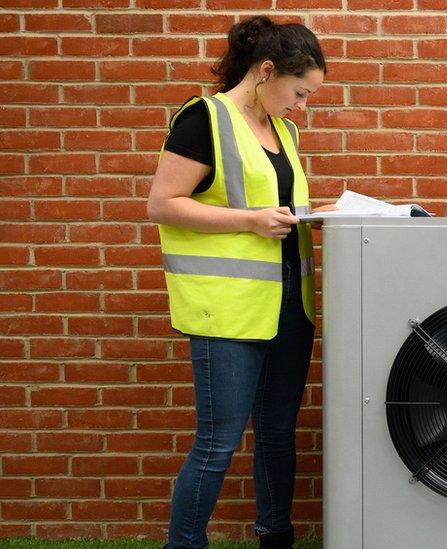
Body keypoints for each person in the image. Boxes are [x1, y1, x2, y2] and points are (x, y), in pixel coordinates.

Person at [147, 15, 329, 549]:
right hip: (226, 311)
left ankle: (276, 537)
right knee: (218, 441)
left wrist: (320, 211)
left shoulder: (284, 130)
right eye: (298, 92)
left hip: (289, 305)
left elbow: (273, 207)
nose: (302, 106)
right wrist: (250, 221)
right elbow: (163, 204)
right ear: (265, 70)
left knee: (276, 434)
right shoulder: (204, 119)